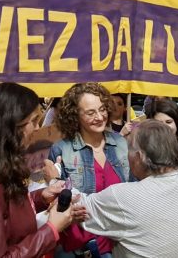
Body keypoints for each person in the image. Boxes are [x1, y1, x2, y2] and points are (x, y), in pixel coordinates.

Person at [79, 119, 178, 257]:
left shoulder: (124, 196)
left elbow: (78, 207)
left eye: (129, 149)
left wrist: (56, 180)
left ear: (139, 157)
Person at [0, 82, 73, 258]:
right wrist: (51, 230)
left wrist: (40, 197)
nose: (38, 128)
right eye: (33, 121)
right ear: (11, 125)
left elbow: (4, 210)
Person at [49, 82, 130, 257]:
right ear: (75, 116)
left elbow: (133, 189)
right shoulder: (62, 150)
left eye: (102, 109)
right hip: (81, 247)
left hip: (119, 243)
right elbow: (54, 202)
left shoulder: (121, 144)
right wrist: (69, 207)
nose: (100, 117)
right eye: (90, 113)